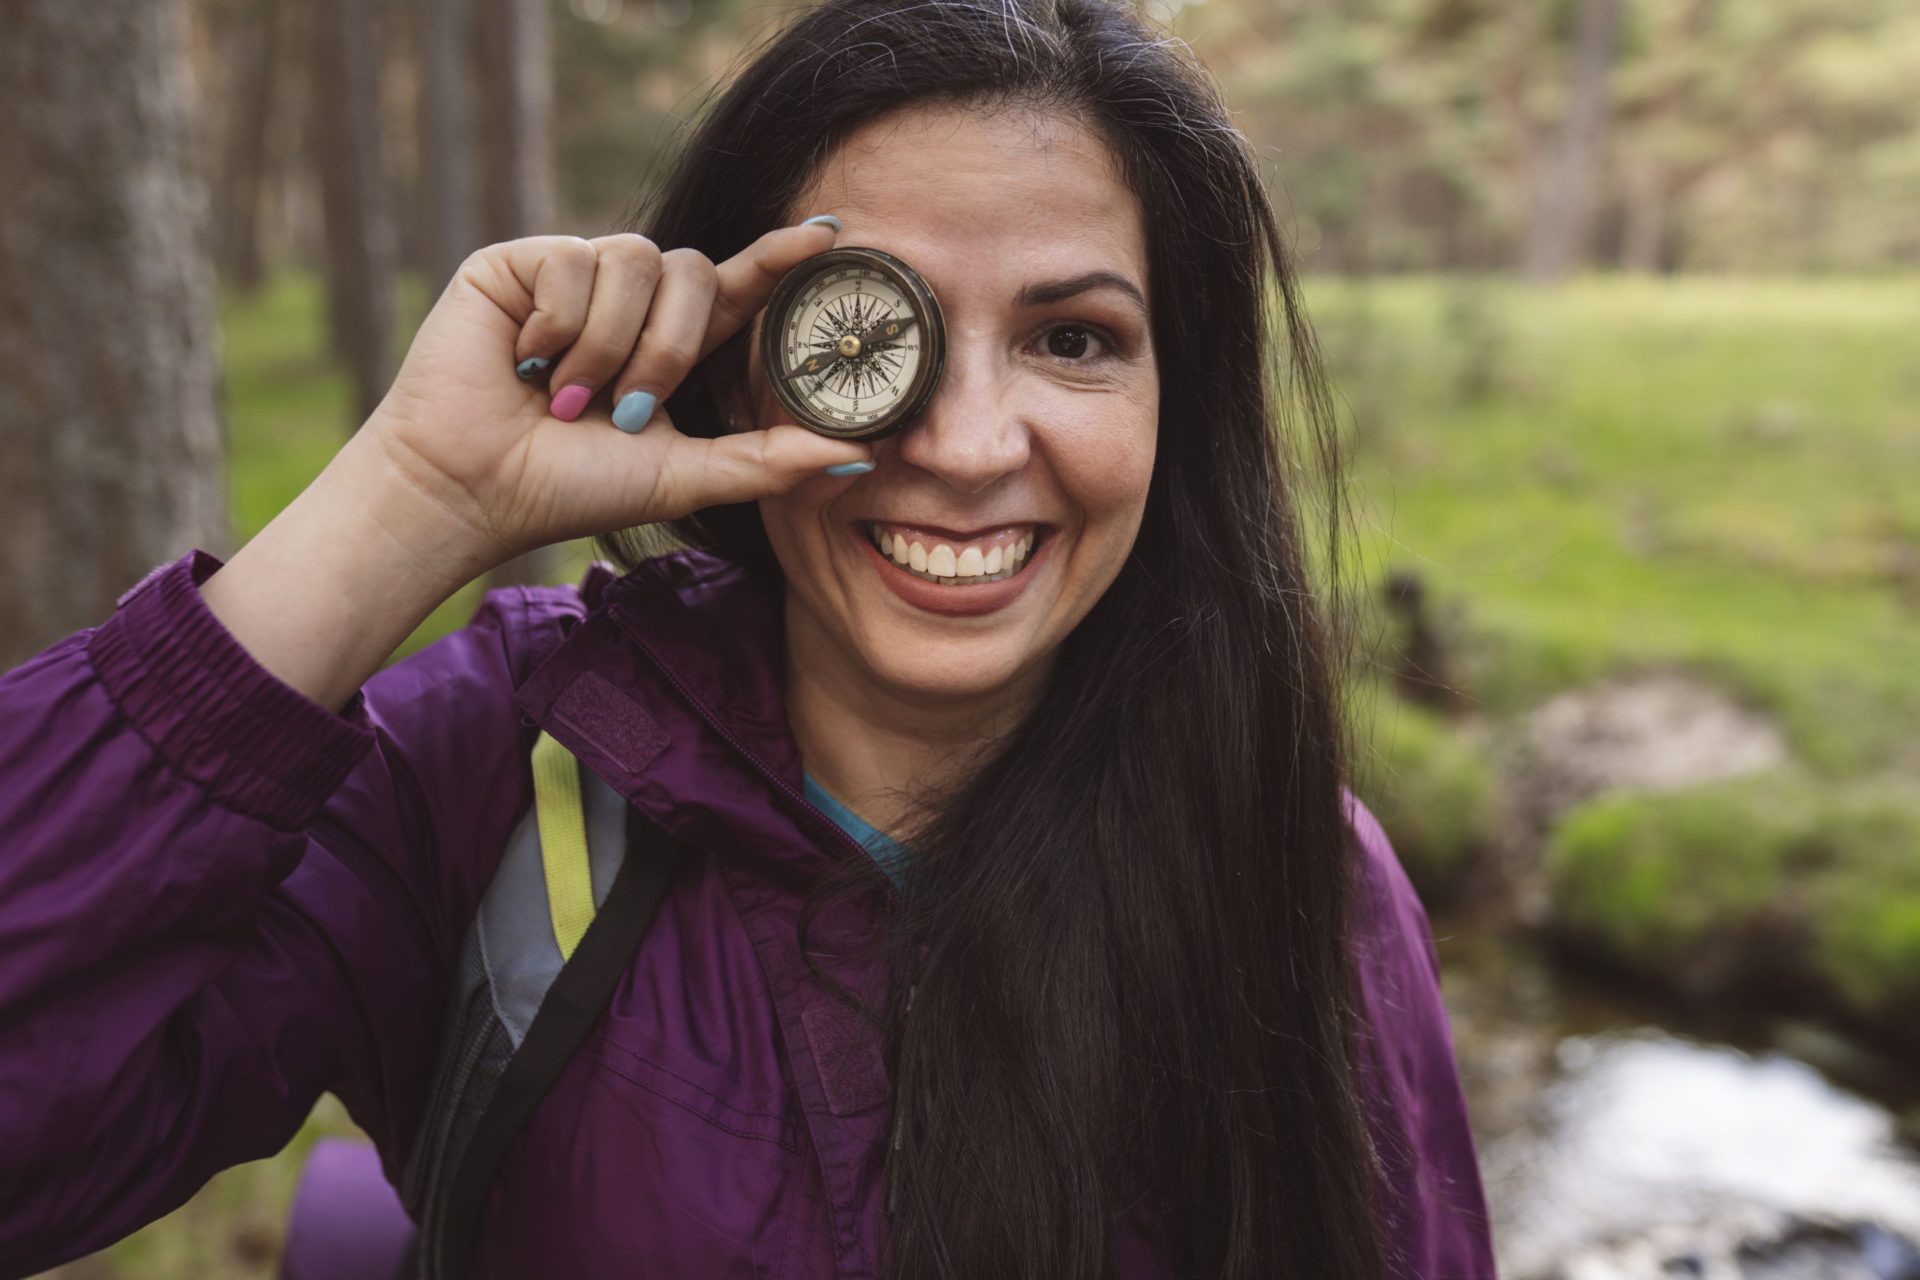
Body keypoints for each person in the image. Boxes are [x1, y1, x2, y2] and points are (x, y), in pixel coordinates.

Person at [0, 0, 1497, 1275]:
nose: (971, 444)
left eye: (1074, 337)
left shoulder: (1300, 872)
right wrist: (412, 498)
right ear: (734, 361)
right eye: (873, 322)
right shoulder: (495, 780)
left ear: (1182, 407)